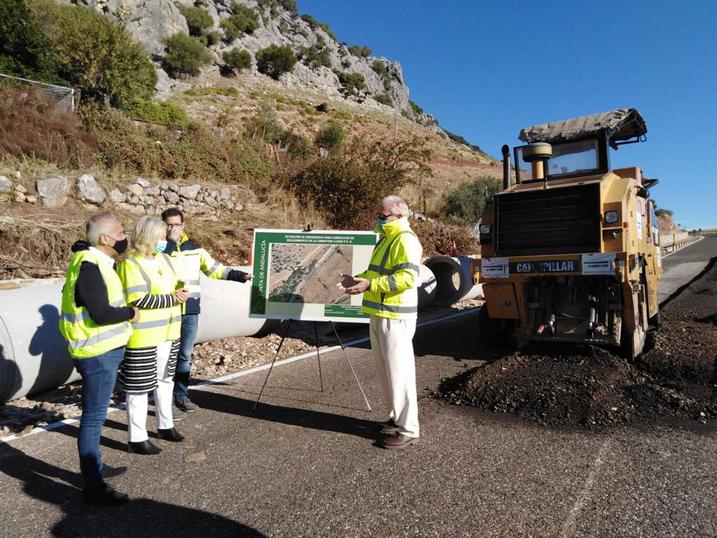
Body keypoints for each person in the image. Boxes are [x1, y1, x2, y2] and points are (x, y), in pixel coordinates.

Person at [59, 212, 138, 505]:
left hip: (101, 350)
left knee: (96, 416)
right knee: (93, 419)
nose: (124, 236)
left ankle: (96, 470)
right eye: (120, 232)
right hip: (97, 353)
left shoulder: (93, 261)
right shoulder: (91, 266)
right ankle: (93, 486)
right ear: (105, 239)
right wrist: (131, 312)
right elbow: (102, 313)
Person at [338, 195, 423, 449]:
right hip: (380, 313)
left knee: (400, 373)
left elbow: (407, 277)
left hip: (396, 316)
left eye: (383, 215)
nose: (378, 219)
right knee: (386, 372)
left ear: (399, 215)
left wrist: (371, 285)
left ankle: (409, 429)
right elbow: (376, 273)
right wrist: (357, 280)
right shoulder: (386, 239)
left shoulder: (405, 240)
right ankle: (395, 418)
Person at [160, 207, 251, 415]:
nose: (173, 228)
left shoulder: (194, 247)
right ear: (163, 225)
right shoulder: (158, 247)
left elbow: (215, 269)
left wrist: (239, 275)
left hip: (190, 310)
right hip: (166, 309)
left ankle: (181, 396)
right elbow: (159, 265)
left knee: (185, 355)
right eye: (169, 224)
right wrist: (171, 243)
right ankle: (164, 400)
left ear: (183, 226)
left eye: (177, 224)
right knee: (165, 356)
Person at [117, 216, 188, 454]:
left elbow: (176, 284)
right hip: (144, 336)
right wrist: (171, 298)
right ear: (147, 237)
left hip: (169, 331)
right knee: (138, 388)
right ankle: (137, 437)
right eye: (159, 236)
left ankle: (165, 425)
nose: (164, 240)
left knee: (165, 380)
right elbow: (137, 298)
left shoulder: (165, 259)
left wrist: (181, 291)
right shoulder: (131, 264)